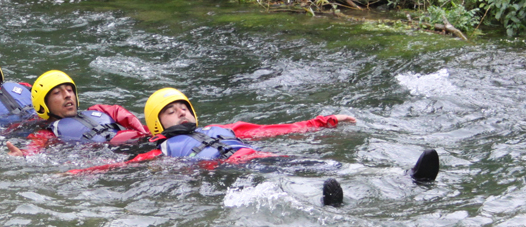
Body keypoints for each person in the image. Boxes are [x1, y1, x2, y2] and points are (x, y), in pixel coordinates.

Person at [67, 88, 440, 206]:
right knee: (282, 180)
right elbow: (118, 168)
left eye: (183, 106)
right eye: (169, 112)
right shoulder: (162, 150)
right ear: (155, 125)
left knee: (318, 161)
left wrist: (325, 121)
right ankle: (326, 201)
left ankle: (406, 176)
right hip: (226, 172)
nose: (179, 112)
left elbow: (276, 129)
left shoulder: (221, 128)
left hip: (255, 158)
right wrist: (72, 174)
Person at [7, 70, 149, 156]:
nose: (67, 95)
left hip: (136, 140)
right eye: (57, 93)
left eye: (69, 90)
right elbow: (33, 148)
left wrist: (143, 133)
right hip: (112, 153)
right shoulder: (47, 133)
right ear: (43, 106)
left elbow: (122, 114)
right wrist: (23, 154)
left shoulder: (96, 109)